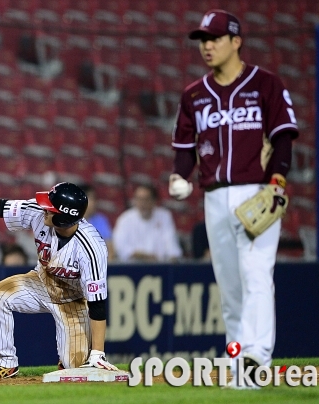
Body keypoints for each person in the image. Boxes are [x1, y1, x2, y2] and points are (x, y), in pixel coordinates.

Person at [169, 10, 298, 389]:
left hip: (258, 192)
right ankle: (239, 358)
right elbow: (184, 147)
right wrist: (180, 174)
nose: (207, 46)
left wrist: (276, 180)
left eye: (215, 38)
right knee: (229, 286)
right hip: (214, 197)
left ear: (236, 41)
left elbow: (283, 136)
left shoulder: (266, 84)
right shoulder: (194, 94)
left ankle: (258, 353)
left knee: (256, 271)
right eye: (202, 40)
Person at [0, 180, 118, 382]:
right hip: (41, 282)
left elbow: (97, 303)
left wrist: (97, 352)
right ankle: (6, 363)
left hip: (73, 301)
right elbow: (1, 207)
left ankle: (71, 359)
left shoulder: (91, 247)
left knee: (75, 369)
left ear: (64, 217)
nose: (44, 208)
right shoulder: (39, 211)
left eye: (51, 208)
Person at [112, 184, 182, 263]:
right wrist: (144, 256)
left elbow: (172, 246)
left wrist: (172, 259)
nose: (142, 203)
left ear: (154, 201)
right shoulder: (125, 219)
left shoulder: (164, 217)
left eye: (146, 199)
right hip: (132, 267)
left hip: (160, 266)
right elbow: (121, 248)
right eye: (139, 199)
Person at [80, 184, 115, 262]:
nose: (95, 202)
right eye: (92, 199)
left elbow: (110, 250)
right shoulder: (68, 222)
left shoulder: (101, 220)